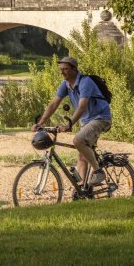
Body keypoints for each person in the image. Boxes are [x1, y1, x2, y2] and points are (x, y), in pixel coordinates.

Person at [33, 57, 112, 185]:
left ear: (75, 69)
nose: (62, 72)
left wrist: (68, 125)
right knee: (82, 155)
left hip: (100, 118)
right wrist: (40, 123)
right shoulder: (66, 84)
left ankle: (98, 172)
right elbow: (54, 104)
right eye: (61, 70)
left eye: (66, 69)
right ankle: (83, 190)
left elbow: (81, 107)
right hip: (87, 121)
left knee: (77, 141)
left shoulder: (85, 82)